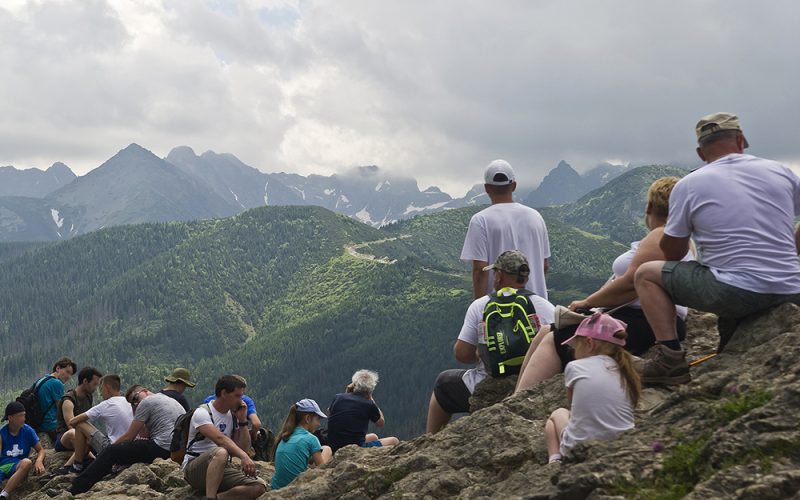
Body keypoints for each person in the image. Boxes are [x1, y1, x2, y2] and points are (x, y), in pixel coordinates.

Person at [634, 112, 800, 385]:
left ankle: (670, 361)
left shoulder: (689, 185)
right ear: (741, 140)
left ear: (701, 153)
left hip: (734, 293)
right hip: (792, 287)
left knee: (646, 274)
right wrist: (793, 250)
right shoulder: (780, 171)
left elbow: (674, 254)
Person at [513, 177, 693, 395]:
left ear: (650, 207)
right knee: (544, 330)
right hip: (643, 317)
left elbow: (629, 285)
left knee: (557, 339)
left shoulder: (661, 235)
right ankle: (512, 398)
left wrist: (587, 302)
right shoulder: (677, 237)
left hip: (644, 320)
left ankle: (519, 399)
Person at [426, 250, 555, 434]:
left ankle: (430, 440)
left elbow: (462, 354)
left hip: (490, 382)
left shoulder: (481, 305)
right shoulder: (544, 306)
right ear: (525, 278)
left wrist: (482, 352)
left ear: (499, 276)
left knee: (443, 385)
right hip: (534, 383)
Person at [544, 313, 640, 463]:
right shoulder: (625, 370)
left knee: (557, 415)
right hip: (623, 444)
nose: (574, 352)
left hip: (580, 448)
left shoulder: (575, 367)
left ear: (589, 343)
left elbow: (572, 410)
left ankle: (555, 461)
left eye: (576, 346)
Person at [69, 385, 185, 495]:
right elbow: (144, 434)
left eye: (136, 398)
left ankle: (77, 488)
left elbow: (129, 436)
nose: (136, 403)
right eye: (132, 404)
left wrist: (110, 448)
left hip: (161, 446)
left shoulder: (147, 401)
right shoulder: (169, 400)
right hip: (177, 450)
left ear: (145, 391)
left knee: (111, 452)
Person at [461, 159, 551, 299]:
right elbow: (544, 265)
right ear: (514, 186)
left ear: (486, 188)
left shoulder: (480, 220)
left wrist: (479, 308)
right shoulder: (536, 217)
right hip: (537, 308)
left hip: (499, 311)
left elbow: (480, 270)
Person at [182, 375, 266, 499]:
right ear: (224, 393)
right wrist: (244, 457)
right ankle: (210, 497)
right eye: (237, 396)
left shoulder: (232, 416)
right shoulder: (202, 413)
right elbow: (220, 439)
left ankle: (218, 497)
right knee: (221, 452)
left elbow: (242, 448)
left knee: (259, 486)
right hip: (195, 468)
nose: (240, 400)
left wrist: (242, 422)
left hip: (220, 469)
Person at [327, 370, 399, 453]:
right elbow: (381, 423)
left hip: (333, 446)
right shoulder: (368, 404)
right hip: (354, 448)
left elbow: (329, 414)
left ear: (354, 384)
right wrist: (371, 399)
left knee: (373, 437)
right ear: (371, 389)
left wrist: (346, 393)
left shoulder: (338, 397)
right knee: (394, 441)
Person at [67, 375, 133, 464]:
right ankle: (69, 465)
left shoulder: (106, 404)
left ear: (107, 388)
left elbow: (73, 421)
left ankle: (77, 465)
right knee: (89, 438)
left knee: (80, 424)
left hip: (112, 449)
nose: (101, 393)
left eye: (101, 389)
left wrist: (83, 436)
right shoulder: (128, 402)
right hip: (130, 448)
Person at [271, 399, 332, 490]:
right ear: (307, 419)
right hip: (296, 489)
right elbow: (321, 471)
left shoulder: (284, 436)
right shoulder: (311, 439)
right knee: (327, 449)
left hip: (276, 489)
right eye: (317, 419)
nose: (319, 424)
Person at [52, 366, 102, 474]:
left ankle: (73, 464)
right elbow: (70, 425)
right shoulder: (68, 400)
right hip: (64, 438)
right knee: (73, 433)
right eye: (94, 384)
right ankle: (92, 460)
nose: (95, 388)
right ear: (85, 381)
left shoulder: (88, 397)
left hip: (82, 435)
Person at [0, 402, 45, 499]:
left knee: (27, 462)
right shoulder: (2, 433)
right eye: (20, 416)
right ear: (10, 418)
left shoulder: (28, 431)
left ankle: (4, 495)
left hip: (18, 466)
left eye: (24, 415)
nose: (23, 419)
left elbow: (41, 450)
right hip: (3, 466)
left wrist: (39, 461)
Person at [202, 375, 262, 442]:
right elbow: (256, 423)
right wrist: (253, 437)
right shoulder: (247, 401)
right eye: (237, 395)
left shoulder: (209, 400)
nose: (240, 400)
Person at [35, 357, 76, 441]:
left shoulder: (43, 379)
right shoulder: (57, 383)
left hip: (38, 423)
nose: (68, 376)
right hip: (50, 425)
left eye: (70, 374)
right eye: (67, 372)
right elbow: (61, 408)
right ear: (58, 368)